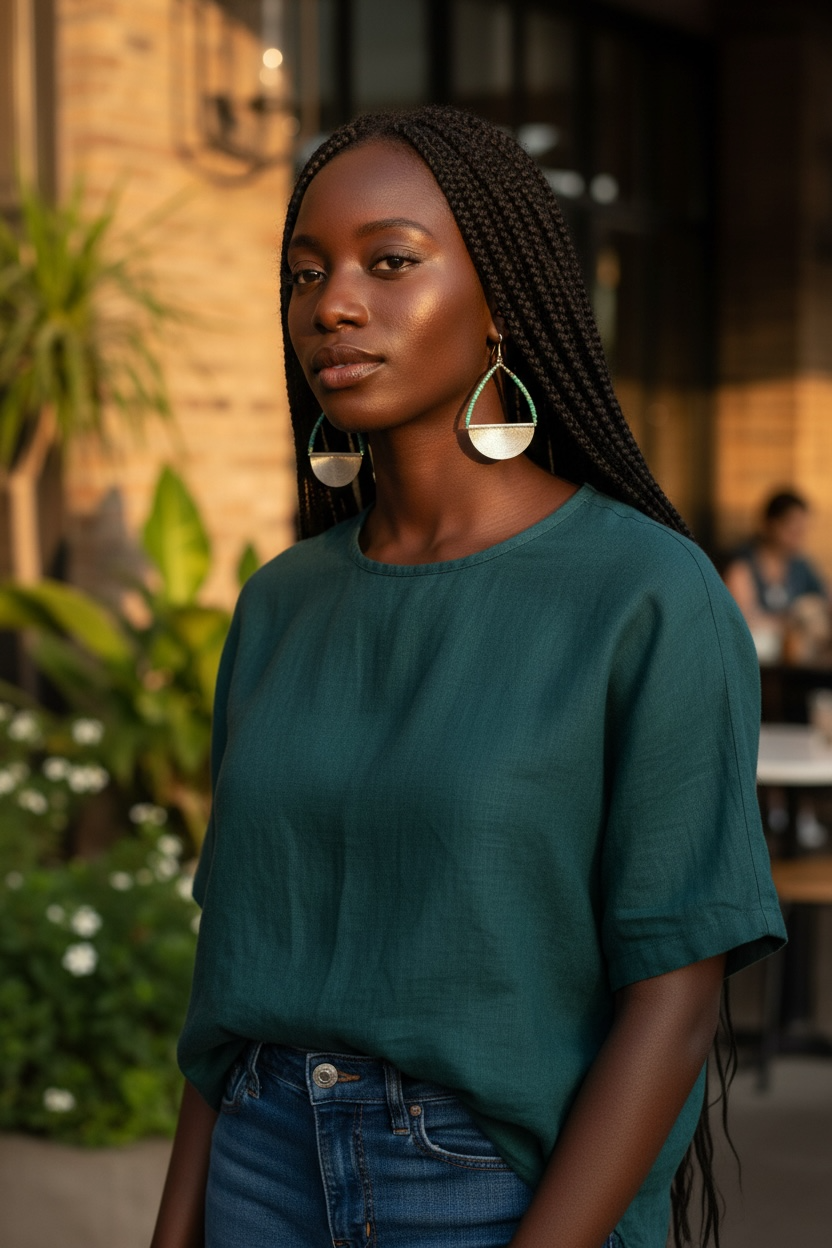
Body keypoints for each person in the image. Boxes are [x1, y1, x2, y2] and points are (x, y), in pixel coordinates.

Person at [150, 107, 786, 1248]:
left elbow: (674, 996)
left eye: (390, 262)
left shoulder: (644, 594)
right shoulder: (280, 604)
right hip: (257, 1163)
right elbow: (231, 965)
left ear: (500, 298)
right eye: (305, 275)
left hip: (476, 1188)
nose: (332, 304)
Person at [723, 490, 827, 644]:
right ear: (770, 524)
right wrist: (789, 622)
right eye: (792, 529)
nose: (798, 537)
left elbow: (824, 599)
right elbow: (742, 622)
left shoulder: (800, 565)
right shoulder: (742, 564)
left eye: (802, 530)